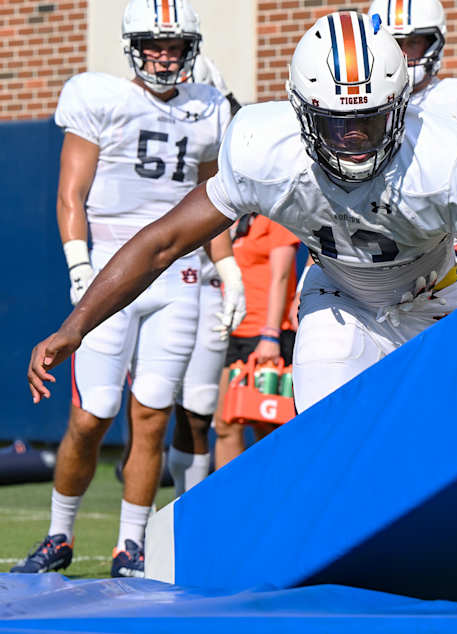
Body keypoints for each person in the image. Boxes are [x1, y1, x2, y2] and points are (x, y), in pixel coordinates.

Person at [27, 9, 457, 465]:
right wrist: (77, 324)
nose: (353, 138)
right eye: (334, 121)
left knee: (447, 447)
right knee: (333, 442)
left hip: (433, 295)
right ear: (299, 110)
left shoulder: (449, 156)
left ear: (400, 107)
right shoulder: (265, 149)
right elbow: (162, 243)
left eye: (369, 118)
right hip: (341, 297)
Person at [13, 0, 238, 578]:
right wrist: (77, 267)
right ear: (133, 45)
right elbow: (72, 194)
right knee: (93, 414)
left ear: (191, 49)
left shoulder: (211, 106)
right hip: (110, 267)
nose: (164, 55)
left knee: (153, 416)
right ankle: (59, 533)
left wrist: (227, 267)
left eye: (174, 45)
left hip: (182, 276)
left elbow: (213, 202)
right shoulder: (98, 97)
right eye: (153, 44)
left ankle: (129, 545)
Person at [368, 0, 457, 290]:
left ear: (433, 43)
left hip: (447, 252)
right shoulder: (361, 109)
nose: (403, 54)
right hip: (378, 258)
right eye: (394, 43)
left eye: (413, 41)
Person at [167, 57, 244, 498]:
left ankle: (185, 509)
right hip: (166, 277)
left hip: (211, 281)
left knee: (198, 409)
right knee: (156, 405)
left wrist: (230, 272)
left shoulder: (239, 152)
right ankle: (133, 531)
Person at [212, 214, 300, 469]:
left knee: (270, 428)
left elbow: (280, 276)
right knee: (225, 423)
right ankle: (229, 500)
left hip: (267, 335)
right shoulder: (233, 215)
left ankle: (277, 497)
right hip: (237, 333)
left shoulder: (274, 214)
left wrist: (270, 335)